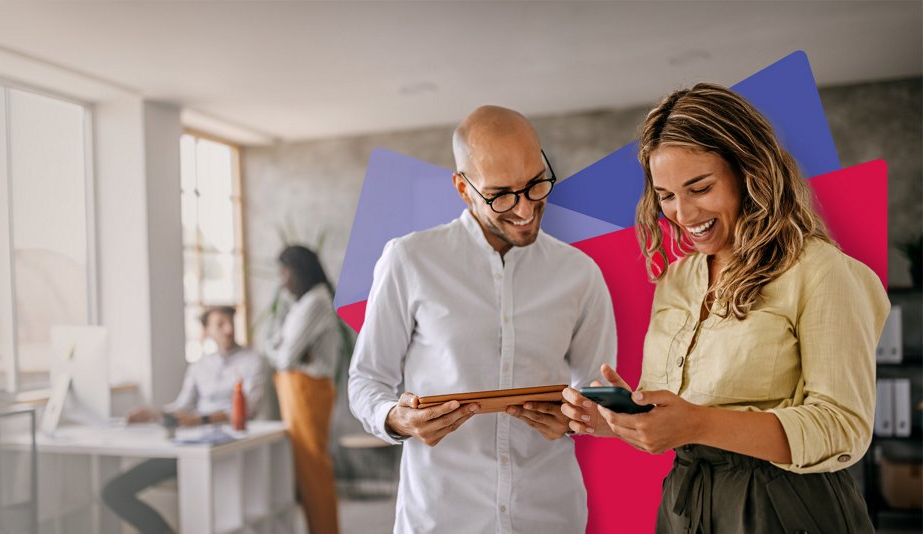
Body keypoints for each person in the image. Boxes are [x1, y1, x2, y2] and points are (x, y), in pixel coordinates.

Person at [560, 83, 889, 533]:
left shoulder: (821, 271)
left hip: (786, 507)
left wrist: (696, 423)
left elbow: (841, 428)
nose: (682, 212)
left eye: (700, 187)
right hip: (686, 506)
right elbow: (678, 416)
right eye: (666, 195)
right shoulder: (677, 279)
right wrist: (616, 420)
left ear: (748, 171)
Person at [347, 105, 617, 532]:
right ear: (462, 187)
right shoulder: (410, 260)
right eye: (501, 195)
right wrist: (397, 419)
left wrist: (580, 417)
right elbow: (366, 381)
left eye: (535, 185)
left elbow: (599, 390)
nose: (526, 209)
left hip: (549, 513)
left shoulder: (580, 274)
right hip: (441, 515)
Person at [102, 306, 267, 534]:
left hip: (229, 450)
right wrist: (154, 414)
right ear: (207, 330)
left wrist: (200, 419)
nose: (228, 330)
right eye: (220, 324)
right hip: (190, 447)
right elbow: (182, 407)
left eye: (231, 322)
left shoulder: (253, 361)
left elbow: (247, 410)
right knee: (114, 491)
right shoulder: (199, 366)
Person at [268, 245, 343, 534]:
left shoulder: (316, 301)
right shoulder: (300, 303)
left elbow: (283, 356)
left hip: (308, 390)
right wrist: (285, 351)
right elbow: (274, 344)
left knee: (314, 469)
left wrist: (286, 353)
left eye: (284, 271)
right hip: (297, 389)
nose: (281, 279)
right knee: (306, 470)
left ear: (299, 270)